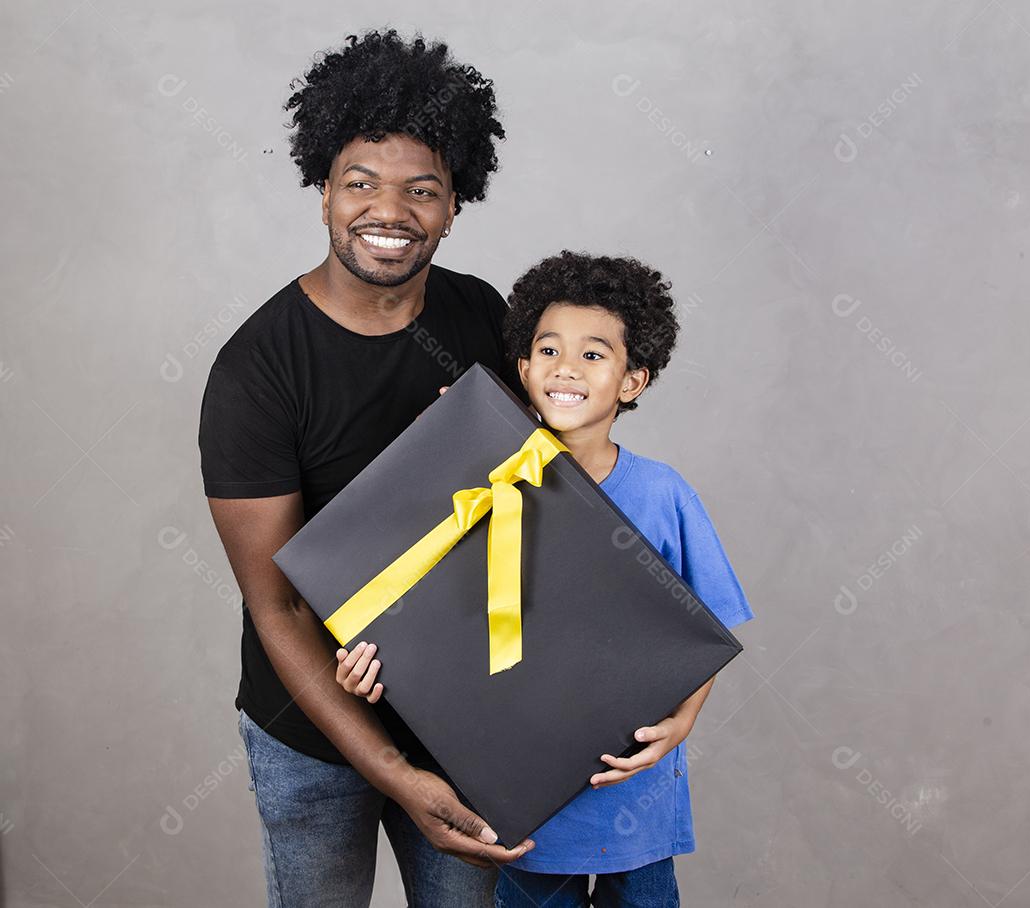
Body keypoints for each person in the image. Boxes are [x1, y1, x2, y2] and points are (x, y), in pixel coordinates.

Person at [198, 28, 536, 908]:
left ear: (455, 204)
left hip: (460, 722)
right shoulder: (258, 370)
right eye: (361, 183)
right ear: (323, 195)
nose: (389, 210)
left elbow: (534, 506)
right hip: (310, 732)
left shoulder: (480, 315)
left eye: (421, 189)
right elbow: (277, 606)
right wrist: (388, 768)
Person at [336, 250, 755, 907]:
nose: (566, 367)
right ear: (524, 369)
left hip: (635, 803)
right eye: (549, 349)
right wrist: (369, 667)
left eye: (594, 355)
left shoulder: (663, 493)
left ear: (633, 379)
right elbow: (422, 617)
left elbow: (707, 632)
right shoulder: (478, 483)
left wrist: (682, 724)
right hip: (524, 815)